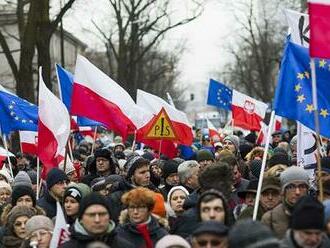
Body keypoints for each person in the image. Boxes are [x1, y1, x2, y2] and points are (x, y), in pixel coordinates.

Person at [61, 192, 133, 248]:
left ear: (109, 216)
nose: (97, 220)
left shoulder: (125, 246)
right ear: (81, 218)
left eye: (102, 214)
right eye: (91, 215)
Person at [261, 166, 310, 239]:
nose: (297, 192)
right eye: (291, 187)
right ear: (283, 191)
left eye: (302, 186)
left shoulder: (318, 214)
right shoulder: (270, 218)